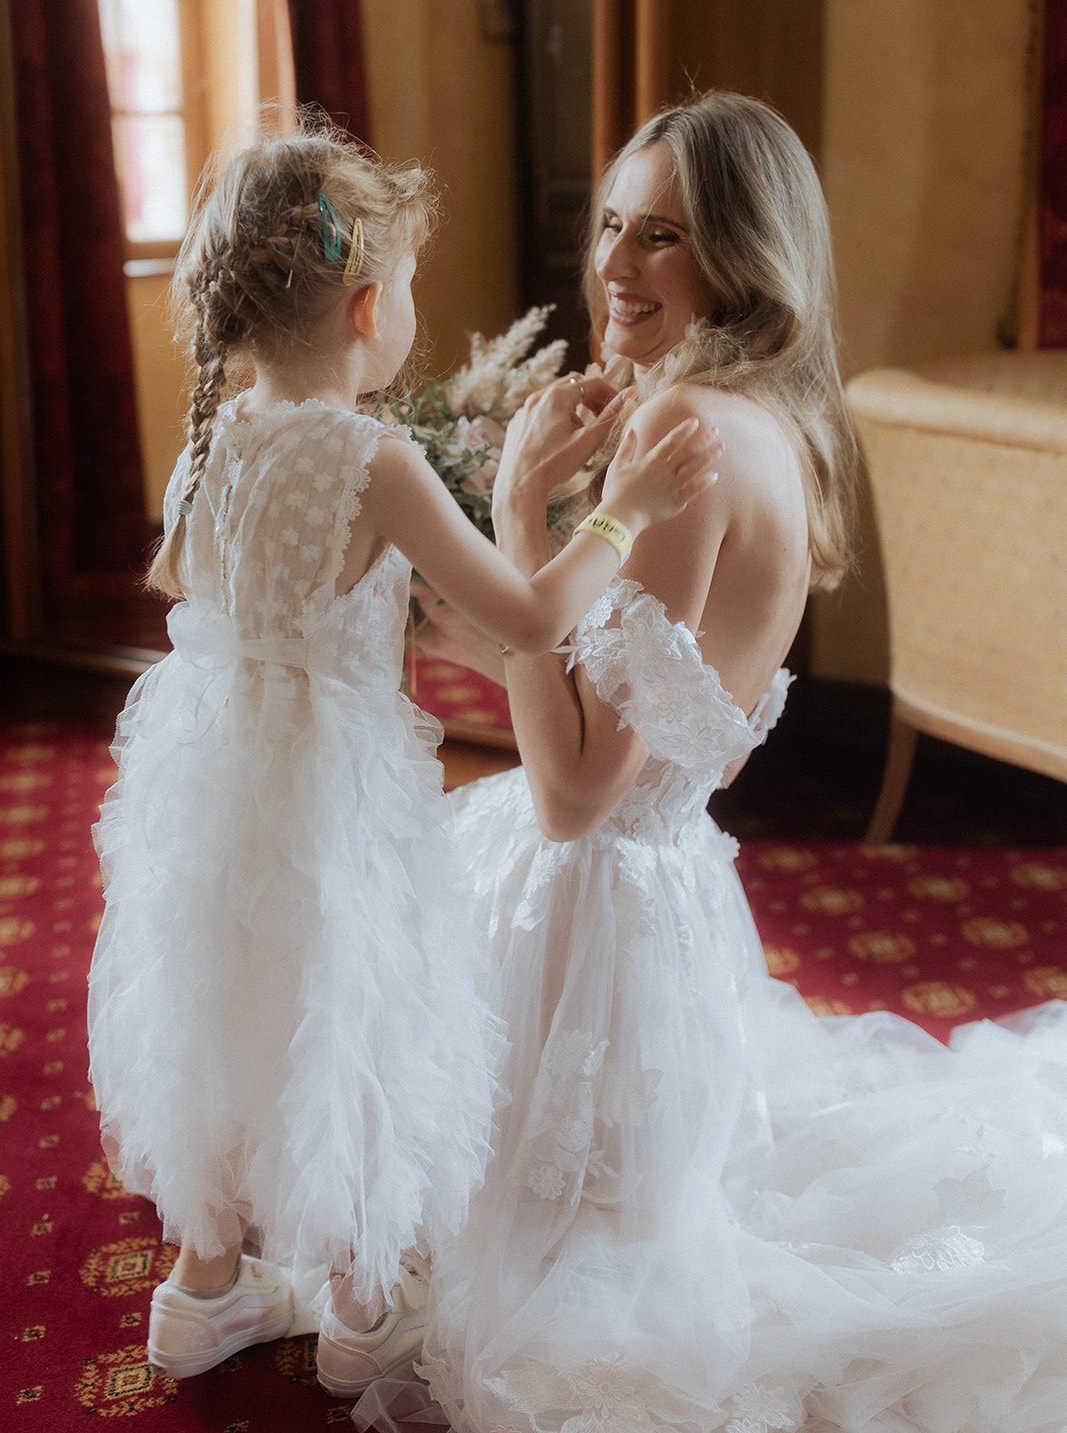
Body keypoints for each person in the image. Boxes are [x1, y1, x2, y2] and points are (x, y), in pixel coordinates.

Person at [356, 91, 1067, 1433]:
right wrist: (506, 630)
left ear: (740, 262)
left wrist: (515, 520)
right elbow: (640, 735)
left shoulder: (677, 449)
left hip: (602, 918)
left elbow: (571, 798)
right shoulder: (753, 423)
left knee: (548, 1294)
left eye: (661, 238)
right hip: (662, 891)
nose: (614, 268)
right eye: (611, 226)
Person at [86, 121, 718, 1394]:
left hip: (208, 785)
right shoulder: (375, 459)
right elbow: (533, 616)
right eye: (411, 287)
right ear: (369, 305)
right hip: (332, 803)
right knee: (353, 1015)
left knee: (226, 1007)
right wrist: (621, 511)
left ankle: (205, 1285)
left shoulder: (207, 444)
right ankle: (365, 1310)